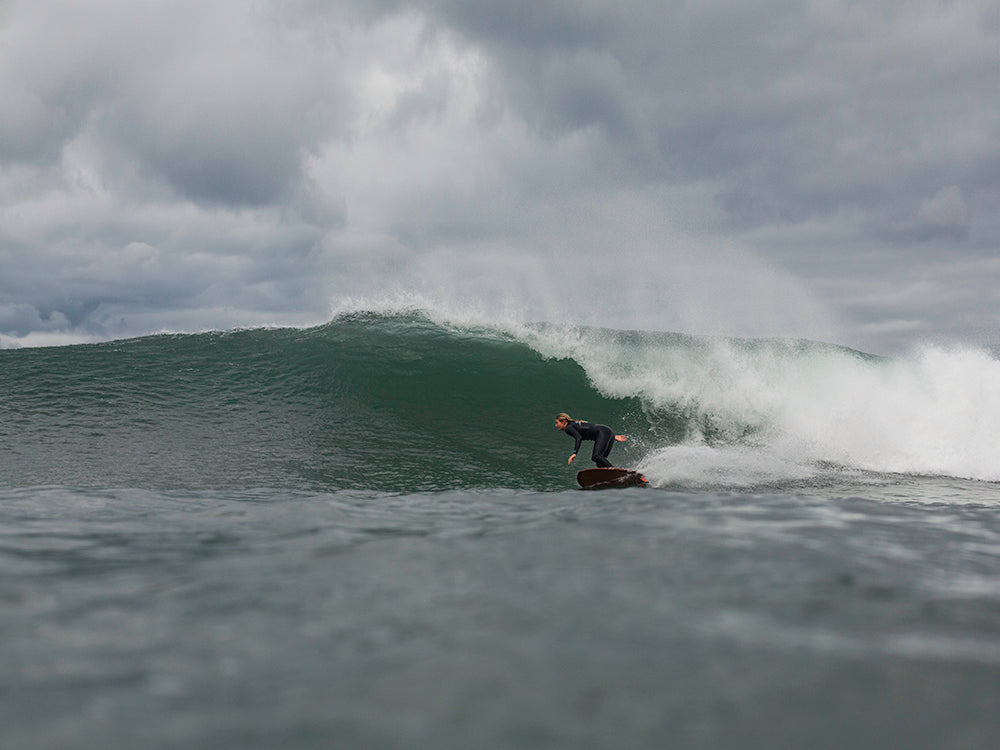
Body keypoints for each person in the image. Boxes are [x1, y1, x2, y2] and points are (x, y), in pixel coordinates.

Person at [554, 412, 627, 468]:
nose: (556, 425)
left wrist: (574, 453)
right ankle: (610, 477)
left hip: (603, 432)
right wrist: (612, 436)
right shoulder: (574, 424)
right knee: (600, 462)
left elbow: (578, 438)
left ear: (563, 422)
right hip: (606, 431)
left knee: (596, 456)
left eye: (557, 423)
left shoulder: (568, 428)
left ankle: (614, 471)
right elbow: (591, 428)